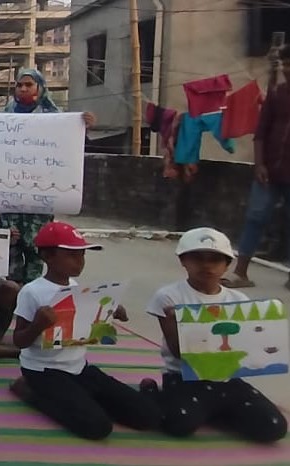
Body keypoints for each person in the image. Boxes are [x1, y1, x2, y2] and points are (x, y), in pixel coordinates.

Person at [9, 222, 160, 440]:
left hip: (79, 367)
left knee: (149, 416)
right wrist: (38, 325)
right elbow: (19, 340)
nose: (79, 261)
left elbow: (85, 324)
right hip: (43, 370)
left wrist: (111, 311)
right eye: (71, 255)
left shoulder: (76, 287)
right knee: (98, 427)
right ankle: (30, 393)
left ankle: (84, 399)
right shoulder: (32, 292)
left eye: (82, 255)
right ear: (47, 256)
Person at [140, 227, 286, 442]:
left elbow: (248, 348)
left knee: (274, 427)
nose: (206, 265)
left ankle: (214, 411)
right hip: (183, 377)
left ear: (227, 264)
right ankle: (151, 391)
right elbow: (179, 352)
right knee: (177, 424)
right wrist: (175, 322)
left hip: (227, 378)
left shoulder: (239, 300)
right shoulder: (169, 296)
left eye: (215, 260)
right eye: (197, 258)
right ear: (183, 260)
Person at [0, 69, 95, 284]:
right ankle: (12, 294)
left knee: (36, 253)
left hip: (40, 204)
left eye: (28, 85)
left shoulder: (55, 117)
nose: (23, 89)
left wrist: (84, 124)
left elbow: (69, 147)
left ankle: (33, 291)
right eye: (19, 85)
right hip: (11, 202)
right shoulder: (5, 117)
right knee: (9, 253)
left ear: (40, 87)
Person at [226, 46, 290, 290]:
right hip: (270, 171)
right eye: (285, 65)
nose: (287, 70)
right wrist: (260, 163)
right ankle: (240, 272)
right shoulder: (277, 94)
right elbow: (261, 132)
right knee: (255, 217)